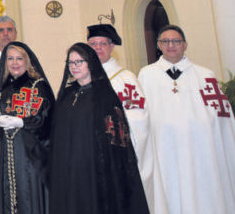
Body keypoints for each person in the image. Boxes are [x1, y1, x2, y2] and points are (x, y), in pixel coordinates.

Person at [138, 25, 235, 213]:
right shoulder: (146, 74)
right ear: (159, 45)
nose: (171, 45)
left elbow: (222, 118)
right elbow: (142, 114)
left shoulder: (205, 74)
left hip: (200, 151)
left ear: (185, 45)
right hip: (164, 149)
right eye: (165, 41)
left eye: (176, 41)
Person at [47, 43, 148, 214]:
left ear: (91, 63)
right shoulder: (67, 95)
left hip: (94, 167)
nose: (75, 67)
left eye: (80, 61)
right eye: (71, 63)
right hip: (68, 167)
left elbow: (117, 138)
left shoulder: (104, 95)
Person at [86, 24, 157, 204]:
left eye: (103, 43)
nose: (98, 48)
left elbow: (139, 117)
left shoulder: (125, 78)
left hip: (116, 150)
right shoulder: (79, 76)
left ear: (112, 47)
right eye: (93, 44)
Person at [0, 42, 54, 214]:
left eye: (19, 58)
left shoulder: (38, 86)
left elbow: (47, 116)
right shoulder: (2, 88)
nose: (15, 63)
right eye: (10, 58)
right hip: (6, 154)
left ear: (27, 61)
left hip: (30, 154)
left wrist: (23, 122)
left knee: (30, 197)